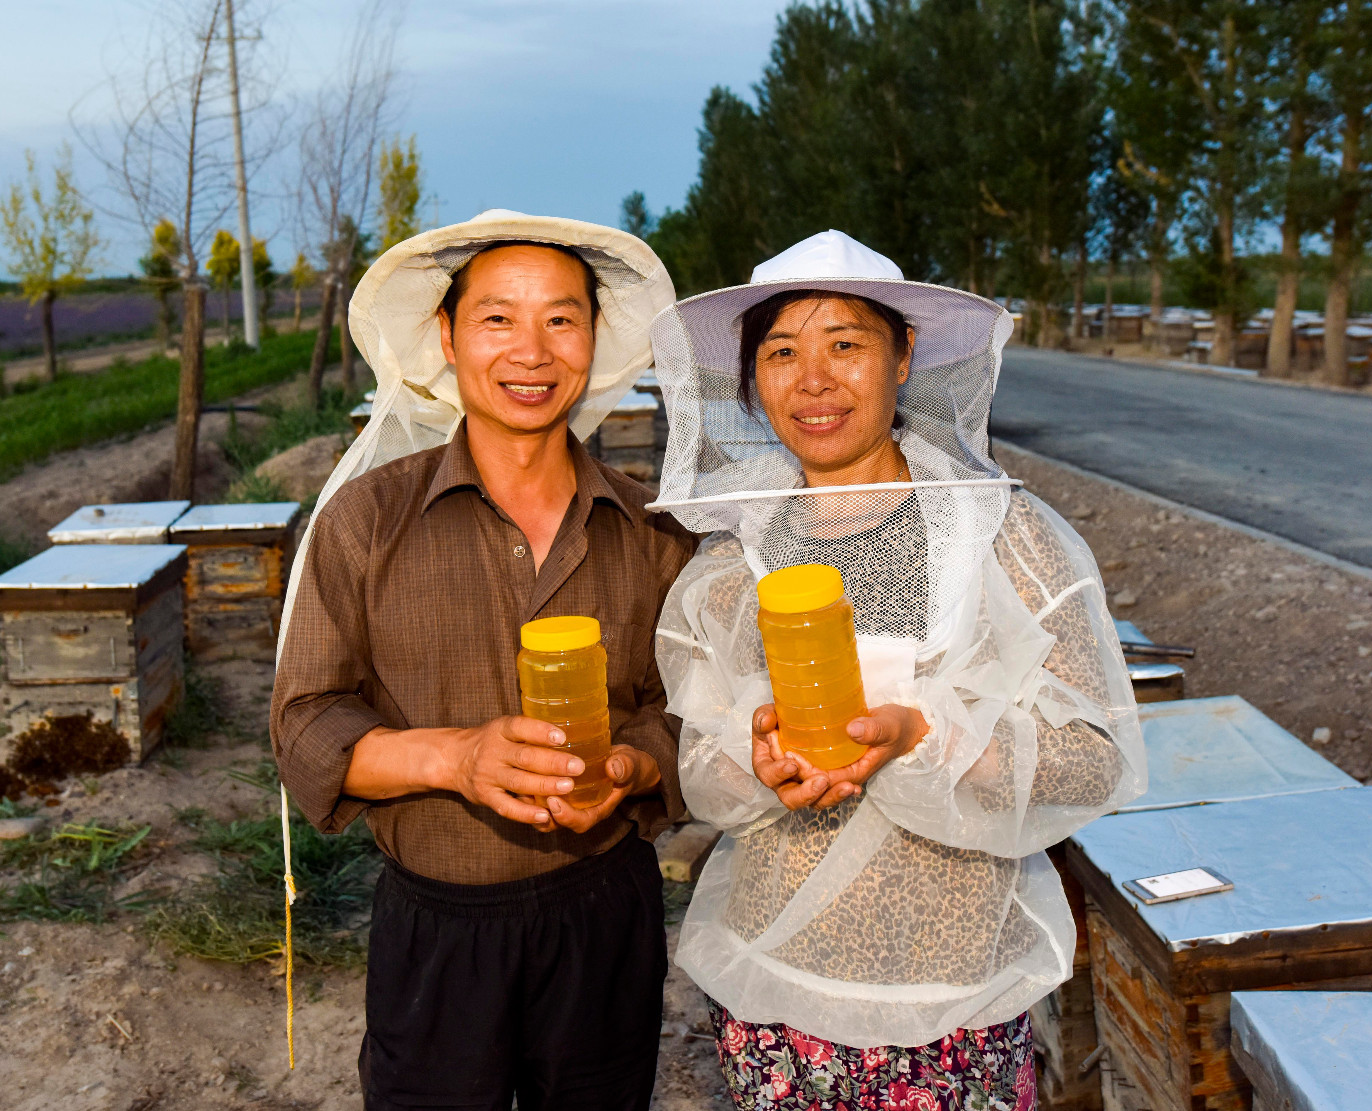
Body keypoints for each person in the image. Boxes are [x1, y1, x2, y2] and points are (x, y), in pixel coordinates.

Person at [648, 230, 1146, 1110]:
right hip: (779, 1003)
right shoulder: (731, 566)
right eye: (781, 352)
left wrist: (925, 737)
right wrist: (753, 761)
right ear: (752, 381)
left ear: (905, 355)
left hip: (956, 1007)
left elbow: (1096, 757)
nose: (814, 380)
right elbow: (703, 770)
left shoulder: (1007, 539)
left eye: (846, 344)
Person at [270, 210, 693, 1111]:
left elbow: (684, 707)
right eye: (497, 317)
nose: (531, 351)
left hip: (604, 915)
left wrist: (631, 761)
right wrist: (454, 757)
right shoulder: (366, 522)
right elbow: (305, 720)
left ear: (593, 338)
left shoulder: (652, 532)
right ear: (447, 336)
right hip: (439, 927)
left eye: (560, 318)